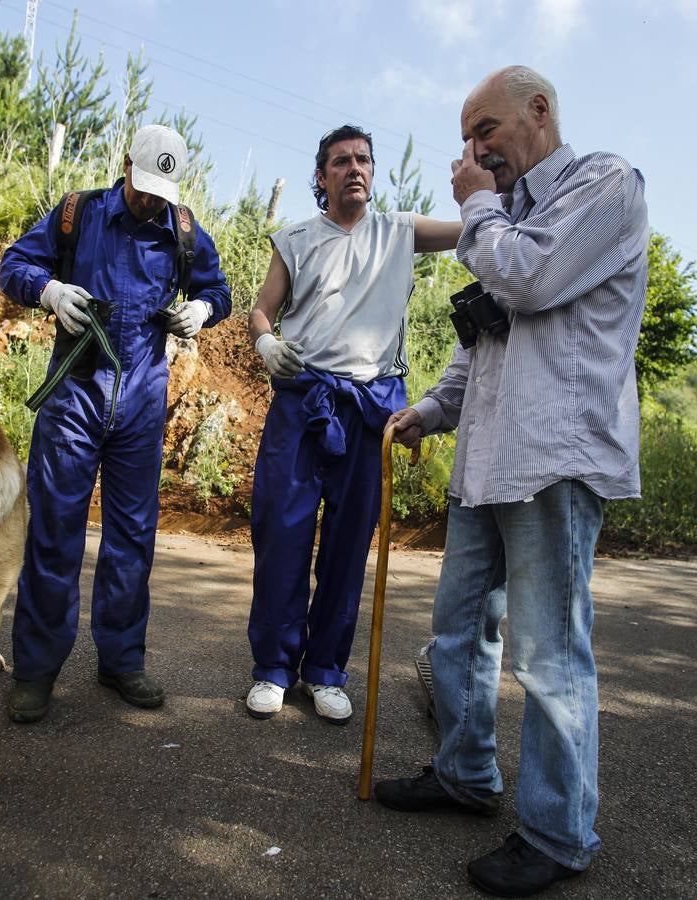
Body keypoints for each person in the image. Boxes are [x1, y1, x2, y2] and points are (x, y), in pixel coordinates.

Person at [373, 67, 649, 898]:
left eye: (484, 130)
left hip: (553, 462)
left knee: (548, 654)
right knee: (459, 630)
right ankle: (464, 773)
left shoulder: (606, 185)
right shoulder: (509, 220)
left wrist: (476, 207)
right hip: (485, 463)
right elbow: (482, 338)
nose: (474, 150)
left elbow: (527, 277)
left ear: (538, 110)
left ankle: (559, 832)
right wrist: (428, 410)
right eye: (465, 137)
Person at [0, 124, 231, 722]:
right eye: (145, 186)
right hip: (74, 395)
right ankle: (36, 671)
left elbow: (217, 287)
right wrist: (48, 289)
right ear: (126, 164)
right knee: (54, 532)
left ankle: (122, 660)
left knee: (132, 538)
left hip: (144, 401)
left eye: (163, 193)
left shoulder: (181, 230)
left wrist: (202, 308)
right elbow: (14, 265)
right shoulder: (79, 213)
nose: (151, 201)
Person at [244, 125, 461, 724]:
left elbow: (471, 230)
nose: (355, 168)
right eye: (341, 161)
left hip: (370, 407)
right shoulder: (294, 238)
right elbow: (262, 309)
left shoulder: (400, 231)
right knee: (281, 533)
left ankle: (324, 672)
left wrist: (492, 187)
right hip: (303, 398)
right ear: (322, 176)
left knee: (348, 545)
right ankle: (273, 667)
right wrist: (265, 342)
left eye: (364, 159)